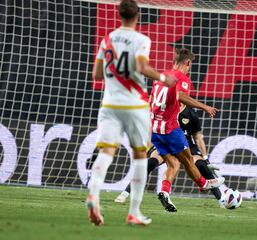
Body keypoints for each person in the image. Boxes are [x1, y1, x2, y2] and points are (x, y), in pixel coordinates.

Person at [87, 0, 175, 226]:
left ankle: (93, 196)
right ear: (137, 16)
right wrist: (165, 79)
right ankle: (134, 211)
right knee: (139, 156)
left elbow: (97, 74)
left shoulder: (107, 39)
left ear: (119, 15)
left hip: (110, 104)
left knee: (106, 152)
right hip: (135, 105)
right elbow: (141, 67)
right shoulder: (141, 39)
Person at [150, 48, 224, 211]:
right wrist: (205, 107)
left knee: (173, 163)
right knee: (189, 160)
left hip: (155, 129)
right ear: (188, 63)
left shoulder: (161, 76)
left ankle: (164, 192)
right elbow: (180, 95)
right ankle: (204, 183)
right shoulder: (182, 78)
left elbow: (152, 99)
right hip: (170, 128)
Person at [114, 105, 223, 211]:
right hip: (166, 143)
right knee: (151, 163)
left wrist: (205, 158)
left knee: (201, 165)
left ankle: (221, 199)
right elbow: (153, 128)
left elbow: (198, 137)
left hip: (185, 145)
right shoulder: (165, 110)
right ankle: (125, 193)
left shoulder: (191, 115)